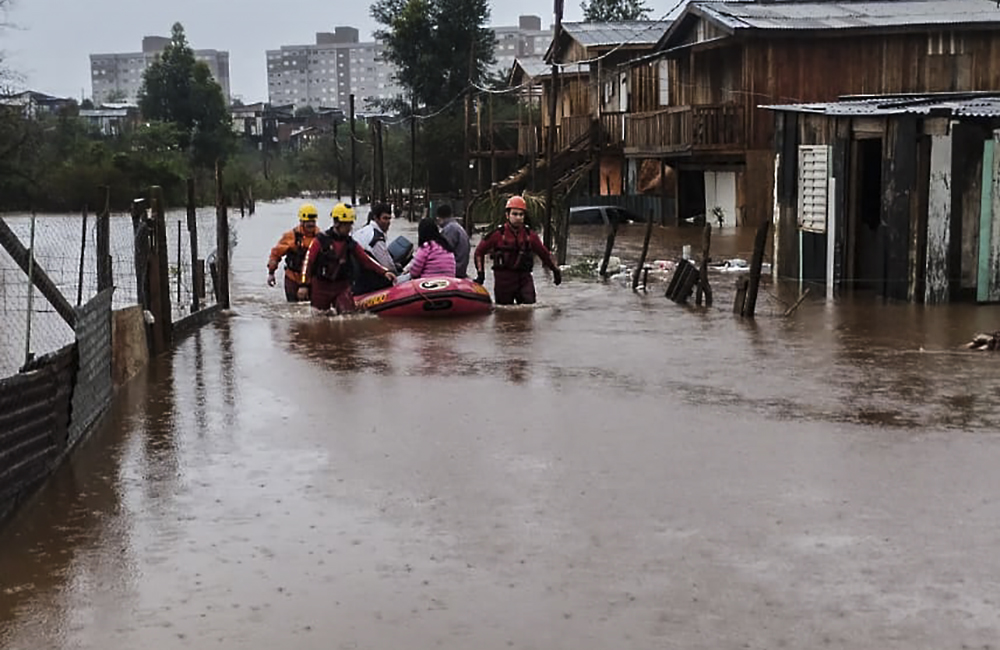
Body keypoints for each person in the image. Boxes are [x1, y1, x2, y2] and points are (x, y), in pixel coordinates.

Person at [299, 203, 396, 313]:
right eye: (346, 225)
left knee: (348, 315)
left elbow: (366, 259)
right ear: (337, 223)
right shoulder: (320, 241)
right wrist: (303, 285)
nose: (349, 228)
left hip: (341, 286)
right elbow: (308, 262)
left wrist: (384, 272)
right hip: (321, 286)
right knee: (319, 318)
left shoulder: (350, 243)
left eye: (350, 224)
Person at [473, 195, 562, 305]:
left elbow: (544, 254)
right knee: (503, 314)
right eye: (515, 214)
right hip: (504, 281)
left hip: (524, 279)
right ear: (507, 215)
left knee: (529, 308)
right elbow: (479, 252)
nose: (518, 217)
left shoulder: (530, 236)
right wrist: (481, 274)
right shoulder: (497, 235)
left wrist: (555, 270)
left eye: (521, 214)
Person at [267, 203, 320, 301]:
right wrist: (271, 273)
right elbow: (276, 254)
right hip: (293, 278)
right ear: (301, 221)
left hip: (312, 279)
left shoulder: (320, 237)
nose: (311, 224)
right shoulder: (291, 236)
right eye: (308, 221)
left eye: (313, 221)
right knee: (293, 307)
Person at [352, 202, 398, 294]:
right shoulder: (377, 238)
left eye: (389, 218)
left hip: (355, 279)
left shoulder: (363, 230)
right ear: (376, 218)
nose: (388, 222)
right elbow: (387, 265)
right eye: (385, 218)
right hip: (367, 282)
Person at [397, 217, 456, 282]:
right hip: (449, 282)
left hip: (428, 284)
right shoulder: (446, 246)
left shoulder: (426, 247)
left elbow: (415, 272)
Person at [435, 203, 470, 279]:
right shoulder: (457, 227)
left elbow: (443, 251)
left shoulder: (449, 229)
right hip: (461, 267)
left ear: (439, 218)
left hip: (454, 269)